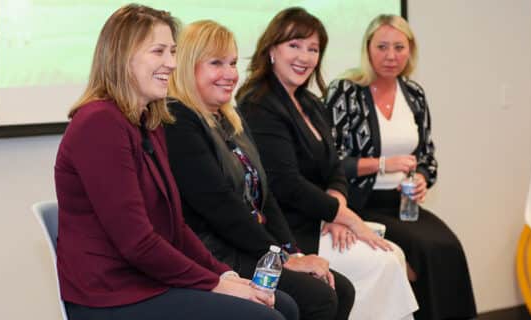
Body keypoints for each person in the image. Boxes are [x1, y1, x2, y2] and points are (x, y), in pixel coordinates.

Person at [53, 5, 298, 320]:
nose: (171, 63)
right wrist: (214, 284)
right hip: (112, 296)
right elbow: (137, 243)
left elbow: (174, 226)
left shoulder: (149, 120)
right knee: (267, 316)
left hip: (148, 280)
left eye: (173, 51)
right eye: (159, 52)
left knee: (283, 305)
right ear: (121, 57)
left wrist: (223, 275)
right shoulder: (99, 123)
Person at [164, 20, 355, 320]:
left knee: (340, 289)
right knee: (319, 298)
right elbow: (219, 206)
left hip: (251, 246)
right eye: (216, 63)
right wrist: (278, 256)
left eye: (232, 63)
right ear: (188, 66)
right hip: (216, 254)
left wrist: (291, 252)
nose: (229, 75)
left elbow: (264, 197)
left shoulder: (230, 117)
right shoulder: (179, 119)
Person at [237, 7, 418, 320]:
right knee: (385, 260)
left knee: (393, 256)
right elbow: (286, 184)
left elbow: (335, 168)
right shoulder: (259, 103)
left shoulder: (309, 101)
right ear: (270, 50)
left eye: (313, 49)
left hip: (321, 220)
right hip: (292, 231)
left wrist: (336, 208)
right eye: (294, 45)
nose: (304, 57)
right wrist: (345, 217)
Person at [324, 14, 476, 320]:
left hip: (404, 204)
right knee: (424, 250)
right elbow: (331, 162)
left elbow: (427, 157)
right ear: (367, 49)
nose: (391, 56)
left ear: (410, 51)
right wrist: (382, 164)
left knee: (448, 247)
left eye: (399, 47)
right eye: (382, 46)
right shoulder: (345, 91)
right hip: (360, 204)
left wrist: (421, 177)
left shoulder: (414, 94)